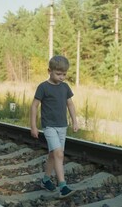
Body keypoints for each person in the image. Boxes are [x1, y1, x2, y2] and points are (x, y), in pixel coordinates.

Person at [30, 55, 79, 199]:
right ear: (49, 71)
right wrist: (33, 126)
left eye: (64, 74)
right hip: (49, 126)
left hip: (62, 126)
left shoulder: (65, 87)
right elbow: (34, 106)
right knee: (59, 154)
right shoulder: (43, 87)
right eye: (58, 74)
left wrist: (75, 121)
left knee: (53, 154)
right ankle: (63, 186)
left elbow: (70, 104)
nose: (62, 77)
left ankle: (45, 180)